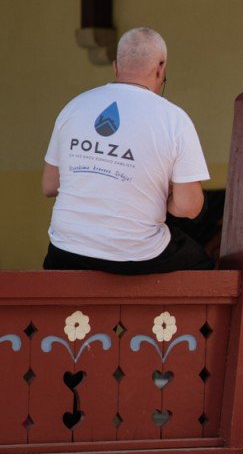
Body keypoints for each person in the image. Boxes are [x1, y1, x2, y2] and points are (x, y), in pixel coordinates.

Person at [42, 27, 213, 274]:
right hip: (136, 254)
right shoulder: (174, 119)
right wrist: (162, 198)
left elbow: (49, 186)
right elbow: (189, 207)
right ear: (160, 68)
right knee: (202, 265)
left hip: (66, 250)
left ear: (116, 66)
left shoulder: (74, 107)